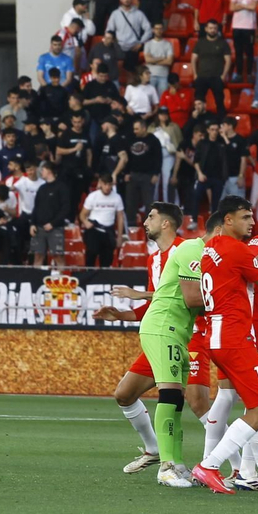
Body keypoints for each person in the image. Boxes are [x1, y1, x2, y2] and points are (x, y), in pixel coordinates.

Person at [192, 202, 258, 493]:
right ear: (228, 219)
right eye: (245, 217)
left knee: (246, 403)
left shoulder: (214, 248)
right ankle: (210, 466)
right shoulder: (236, 250)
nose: (252, 222)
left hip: (216, 336)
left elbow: (249, 264)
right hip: (235, 338)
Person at [92, 202, 186, 473]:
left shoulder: (184, 251)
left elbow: (188, 296)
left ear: (166, 223)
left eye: (151, 217)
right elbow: (156, 304)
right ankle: (155, 450)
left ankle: (234, 468)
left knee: (201, 405)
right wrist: (121, 314)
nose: (145, 222)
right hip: (158, 336)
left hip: (186, 337)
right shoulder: (153, 259)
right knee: (124, 394)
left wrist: (139, 294)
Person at [29, 161, 73, 268]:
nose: (41, 172)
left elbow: (65, 209)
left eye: (42, 170)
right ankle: (35, 281)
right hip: (39, 228)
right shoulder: (41, 189)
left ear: (49, 170)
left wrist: (53, 223)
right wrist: (32, 223)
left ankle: (62, 281)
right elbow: (36, 207)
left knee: (58, 256)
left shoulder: (61, 187)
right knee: (38, 256)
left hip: (55, 228)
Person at [78, 173, 125, 267]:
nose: (107, 187)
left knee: (107, 260)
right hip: (94, 230)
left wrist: (119, 236)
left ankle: (104, 280)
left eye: (109, 184)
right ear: (100, 184)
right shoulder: (93, 196)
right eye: (105, 184)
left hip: (108, 231)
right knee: (91, 256)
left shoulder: (117, 198)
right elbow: (82, 214)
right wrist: (86, 222)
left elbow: (120, 217)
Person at [228, 0, 258, 82]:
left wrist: (239, 5)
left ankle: (250, 73)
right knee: (238, 51)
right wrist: (246, 6)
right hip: (237, 25)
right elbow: (231, 7)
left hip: (249, 26)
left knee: (249, 51)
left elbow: (253, 7)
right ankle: (239, 74)